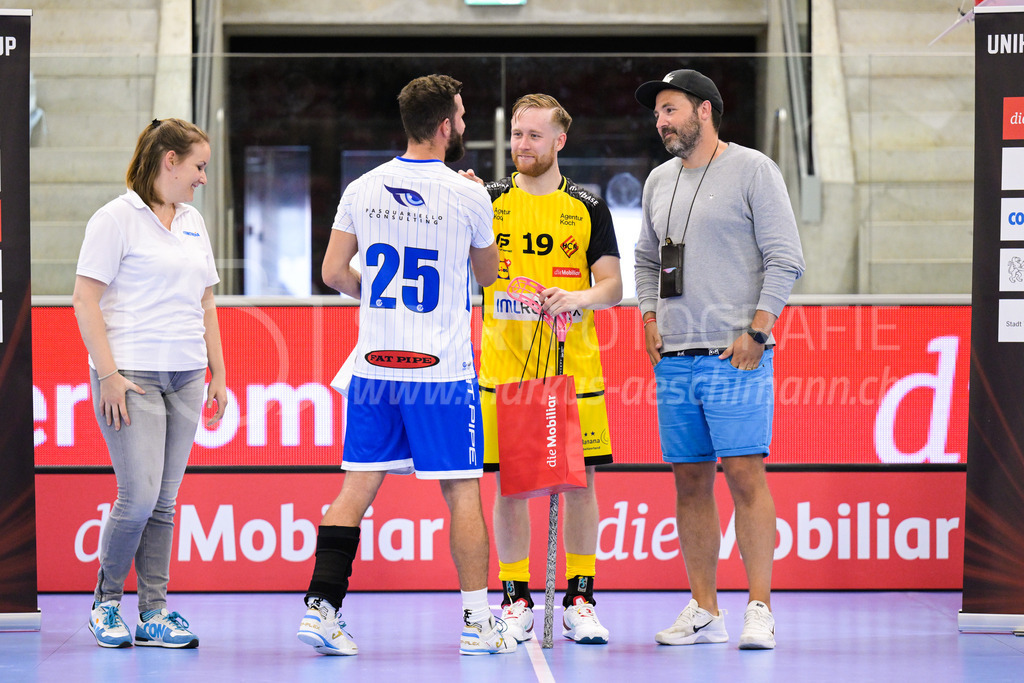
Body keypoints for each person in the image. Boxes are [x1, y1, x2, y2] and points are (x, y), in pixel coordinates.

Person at [295, 74, 514, 657]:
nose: (464, 125)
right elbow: (490, 276)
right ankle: (476, 623)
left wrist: (380, 294)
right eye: (462, 117)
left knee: (356, 488)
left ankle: (322, 608)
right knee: (462, 492)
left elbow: (335, 273)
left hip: (374, 366)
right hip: (439, 371)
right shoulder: (470, 194)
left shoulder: (362, 187)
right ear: (444, 126)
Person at [632, 69, 805, 650]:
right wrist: (650, 317)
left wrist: (758, 332)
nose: (661, 121)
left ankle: (760, 607)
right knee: (688, 483)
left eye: (671, 109)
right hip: (676, 357)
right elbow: (646, 260)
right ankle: (705, 610)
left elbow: (786, 259)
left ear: (704, 110)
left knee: (745, 477)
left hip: (736, 355)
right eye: (658, 112)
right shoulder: (659, 180)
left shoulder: (754, 169)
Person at [72, 118, 228, 649]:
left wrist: (219, 373)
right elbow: (84, 299)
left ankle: (155, 612)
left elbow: (205, 301)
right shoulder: (115, 219)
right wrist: (109, 374)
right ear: (169, 161)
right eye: (199, 166)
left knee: (164, 500)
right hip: (131, 377)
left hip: (186, 376)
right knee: (137, 496)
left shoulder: (191, 222)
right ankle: (106, 602)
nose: (203, 178)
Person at [473, 94, 622, 645]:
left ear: (560, 140)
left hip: (573, 369)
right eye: (517, 133)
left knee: (580, 486)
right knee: (511, 489)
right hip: (506, 370)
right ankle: (515, 601)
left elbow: (613, 287)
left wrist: (577, 296)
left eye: (535, 135)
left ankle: (580, 600)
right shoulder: (484, 199)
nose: (522, 145)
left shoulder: (588, 206)